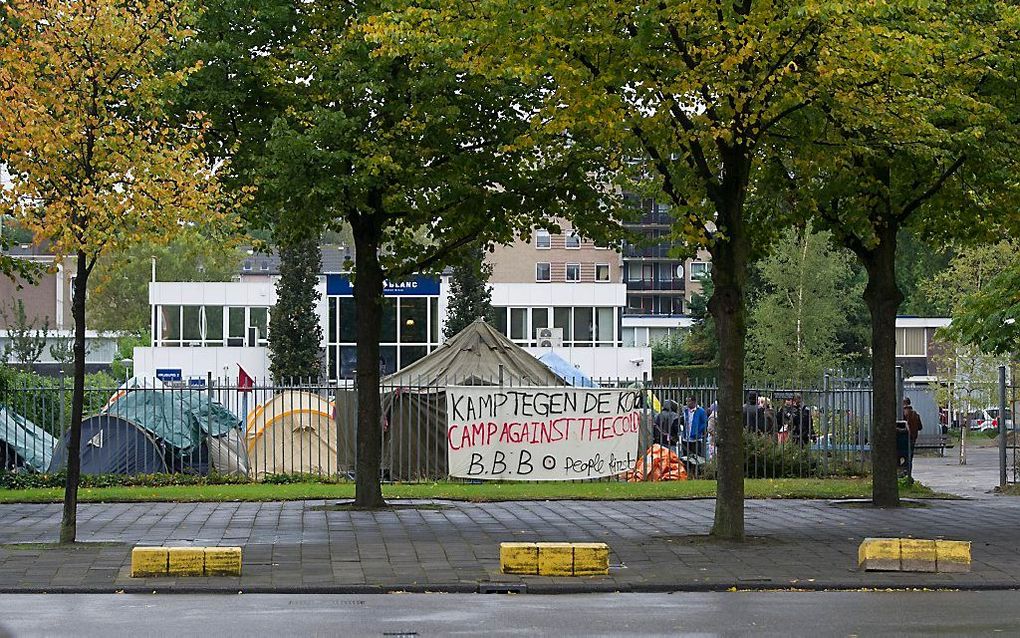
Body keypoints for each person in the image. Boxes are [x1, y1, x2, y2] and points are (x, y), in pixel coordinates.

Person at [903, 398, 923, 467]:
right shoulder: (915, 414)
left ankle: (903, 471)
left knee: (901, 455)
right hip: (913, 438)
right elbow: (920, 427)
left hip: (903, 438)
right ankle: (908, 472)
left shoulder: (902, 414)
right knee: (910, 456)